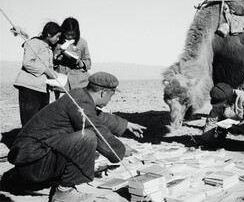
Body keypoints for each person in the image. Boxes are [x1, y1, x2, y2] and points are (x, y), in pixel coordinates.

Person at [7, 72, 146, 202]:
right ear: (103, 93)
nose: (110, 98)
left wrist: (126, 124)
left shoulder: (80, 96)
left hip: (33, 159)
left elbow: (97, 117)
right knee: (88, 137)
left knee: (87, 135)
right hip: (33, 164)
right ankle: (64, 192)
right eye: (112, 95)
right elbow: (95, 128)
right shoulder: (80, 101)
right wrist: (120, 150)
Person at [13, 22, 61, 126]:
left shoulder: (49, 49)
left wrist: (54, 79)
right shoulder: (34, 43)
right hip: (29, 88)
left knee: (41, 120)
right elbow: (27, 62)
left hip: (43, 88)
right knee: (29, 121)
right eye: (57, 36)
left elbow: (50, 68)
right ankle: (25, 142)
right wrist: (45, 70)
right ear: (49, 34)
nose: (58, 39)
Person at [202, 82, 244, 153]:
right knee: (215, 135)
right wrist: (206, 138)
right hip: (230, 126)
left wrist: (240, 124)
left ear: (228, 98)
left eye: (222, 102)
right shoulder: (217, 103)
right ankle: (222, 142)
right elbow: (212, 120)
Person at [53, 17, 91, 99]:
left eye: (73, 35)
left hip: (78, 80)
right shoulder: (56, 42)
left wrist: (81, 63)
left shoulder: (82, 42)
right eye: (67, 34)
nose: (70, 37)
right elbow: (49, 61)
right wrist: (57, 60)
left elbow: (88, 62)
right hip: (61, 79)